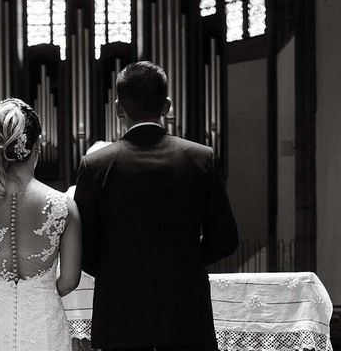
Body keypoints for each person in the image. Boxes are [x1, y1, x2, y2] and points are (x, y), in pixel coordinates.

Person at [74, 61, 238, 351]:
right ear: (167, 105)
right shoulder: (201, 158)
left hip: (121, 313)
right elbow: (225, 239)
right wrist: (183, 260)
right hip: (186, 310)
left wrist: (118, 270)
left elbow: (83, 248)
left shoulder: (95, 166)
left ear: (117, 107)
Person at [0, 98, 82, 351]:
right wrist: (38, 293)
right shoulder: (64, 207)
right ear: (37, 147)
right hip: (44, 326)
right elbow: (69, 280)